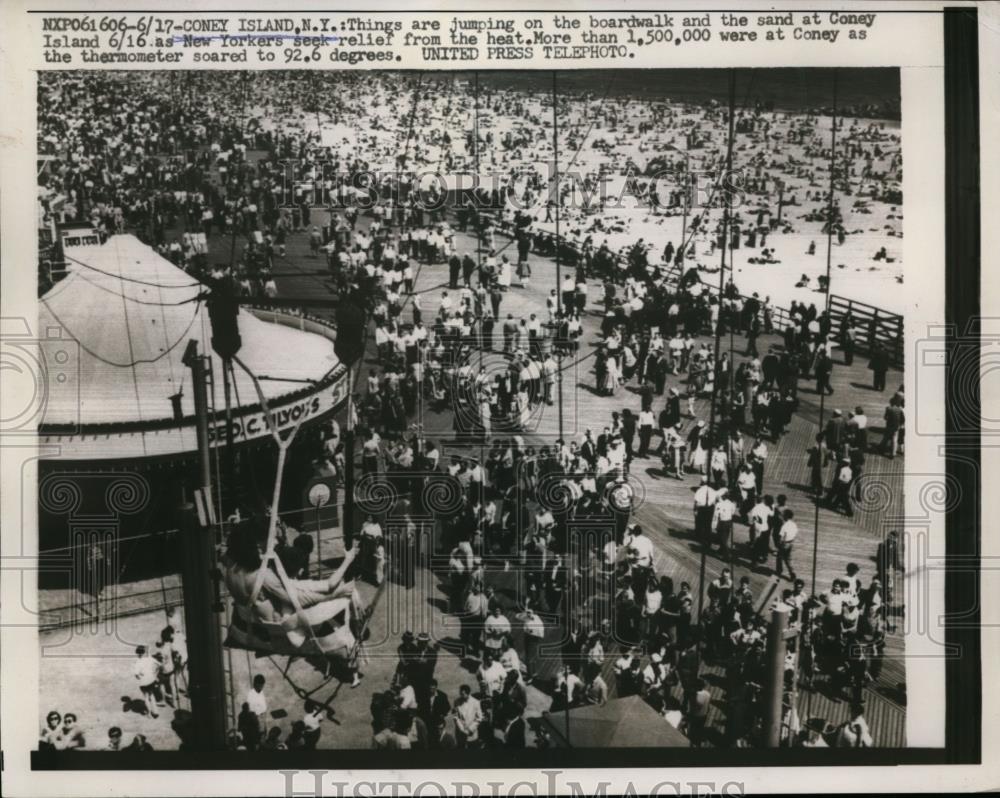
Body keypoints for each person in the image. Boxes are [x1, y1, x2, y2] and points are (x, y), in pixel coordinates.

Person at [133, 646, 162, 718]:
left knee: (146, 697)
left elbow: (136, 674)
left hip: (144, 682)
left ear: (138, 653)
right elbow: (159, 665)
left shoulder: (138, 662)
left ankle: (149, 713)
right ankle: (155, 711)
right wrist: (155, 674)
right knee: (152, 695)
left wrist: (139, 677)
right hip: (151, 680)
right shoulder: (150, 658)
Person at [775, 509, 798, 581]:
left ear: (786, 516)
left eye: (783, 515)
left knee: (779, 557)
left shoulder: (784, 526)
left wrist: (779, 544)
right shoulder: (794, 524)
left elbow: (781, 537)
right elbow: (795, 533)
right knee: (788, 559)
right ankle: (792, 573)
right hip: (791, 543)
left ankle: (779, 571)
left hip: (784, 544)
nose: (782, 516)